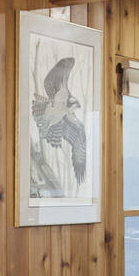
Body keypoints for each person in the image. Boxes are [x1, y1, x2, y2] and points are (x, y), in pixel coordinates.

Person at [29, 54, 87, 198]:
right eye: (75, 104)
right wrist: (67, 64)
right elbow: (52, 78)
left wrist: (80, 163)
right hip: (46, 108)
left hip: (53, 121)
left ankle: (44, 129)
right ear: (71, 102)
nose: (75, 107)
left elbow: (79, 146)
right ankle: (43, 127)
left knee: (80, 132)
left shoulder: (71, 119)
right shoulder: (63, 91)